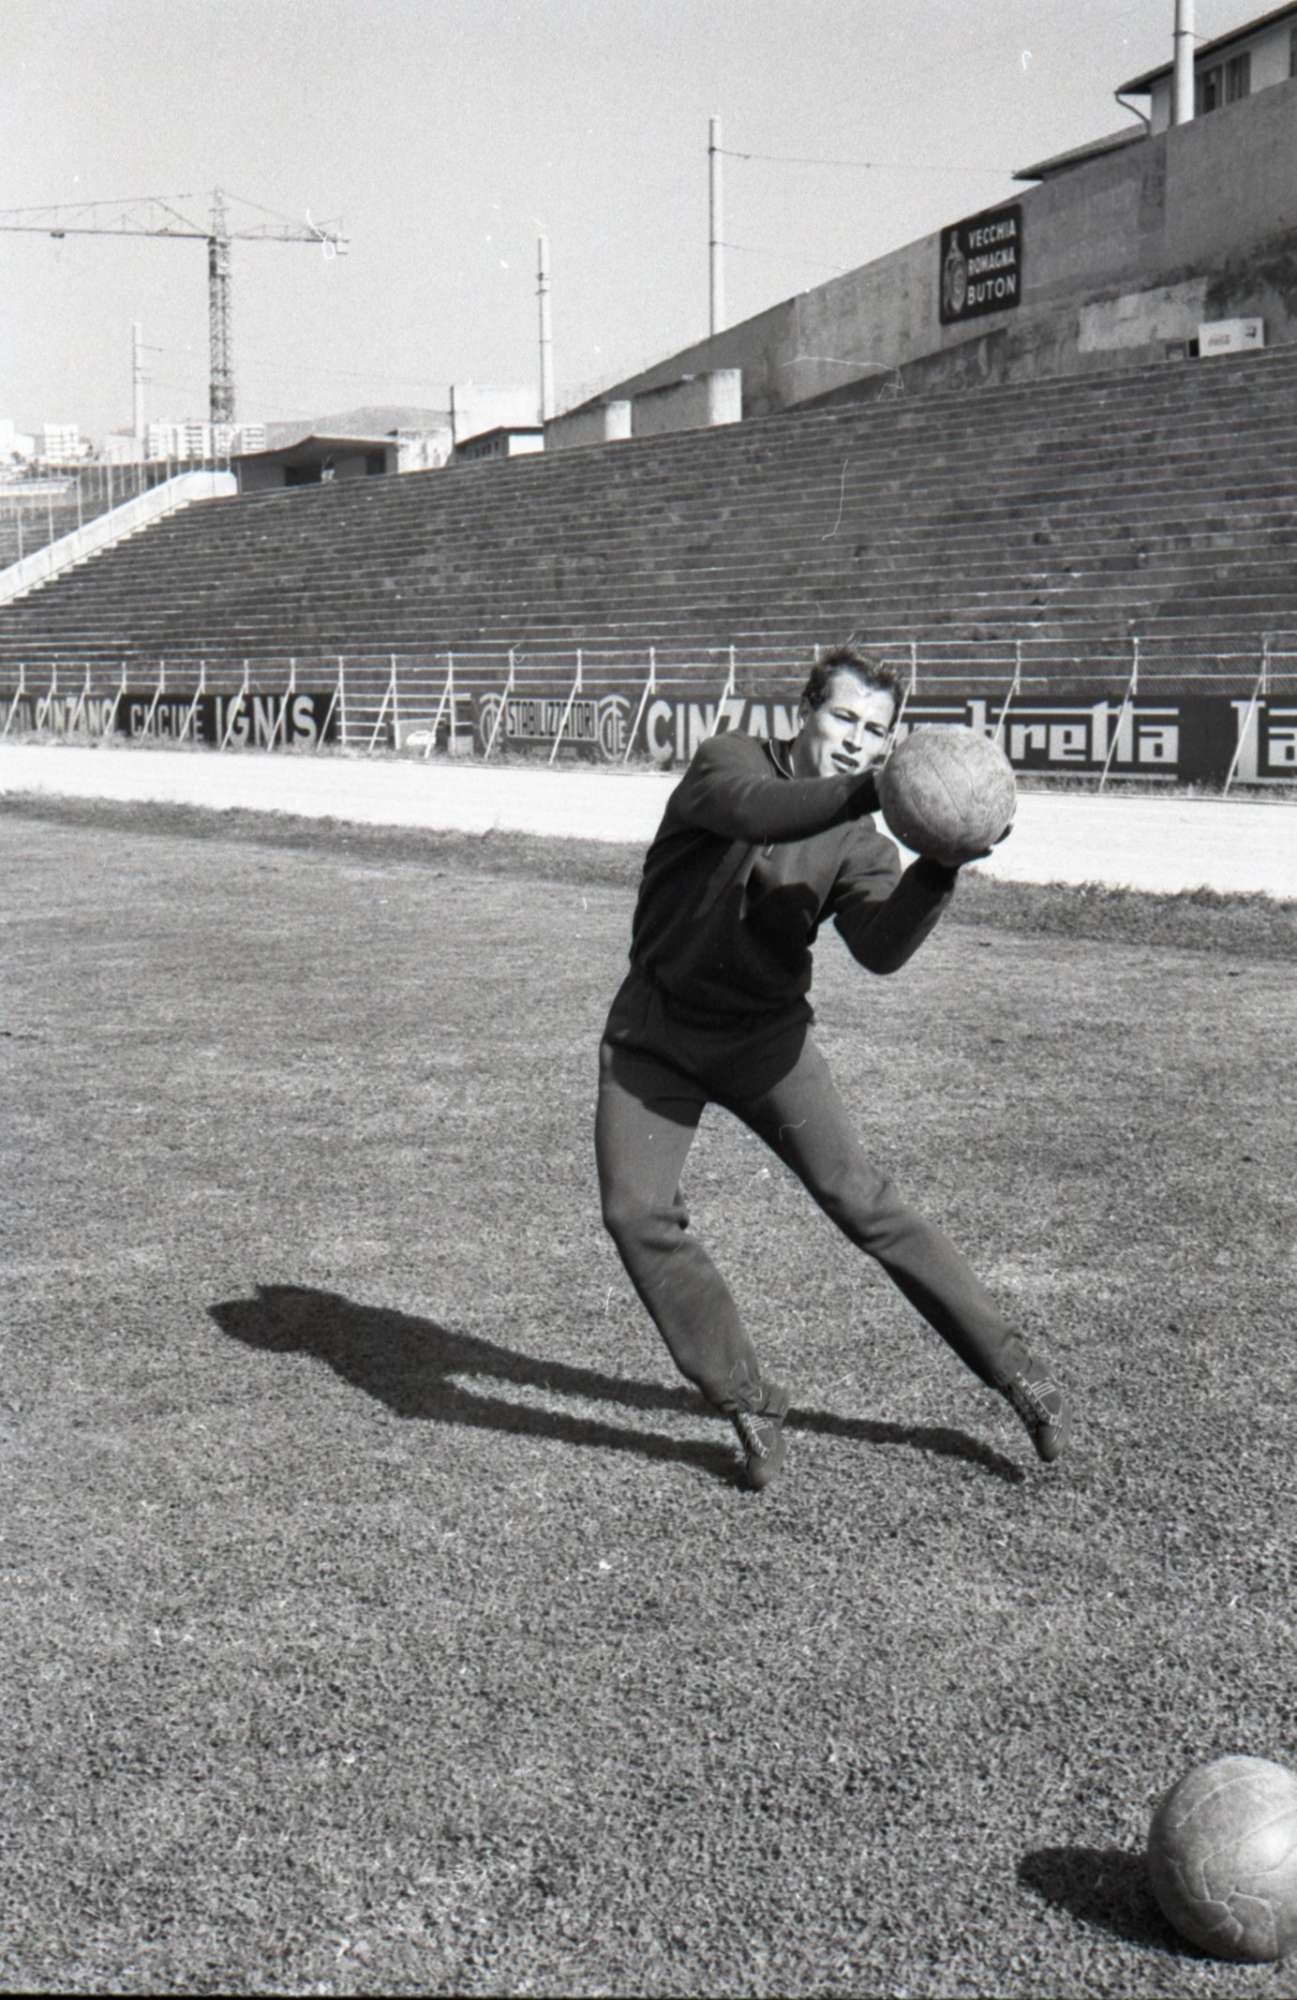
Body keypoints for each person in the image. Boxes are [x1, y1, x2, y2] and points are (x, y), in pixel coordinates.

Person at [595, 646, 1070, 1491]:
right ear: (805, 711)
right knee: (636, 1212)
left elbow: (880, 950)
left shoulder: (858, 842)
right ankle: (747, 1399)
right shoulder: (728, 762)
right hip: (654, 1035)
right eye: (843, 717)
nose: (855, 740)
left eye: (874, 732)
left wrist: (940, 864)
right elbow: (755, 810)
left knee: (865, 1205)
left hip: (763, 1045)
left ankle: (1014, 1374)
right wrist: (875, 790)